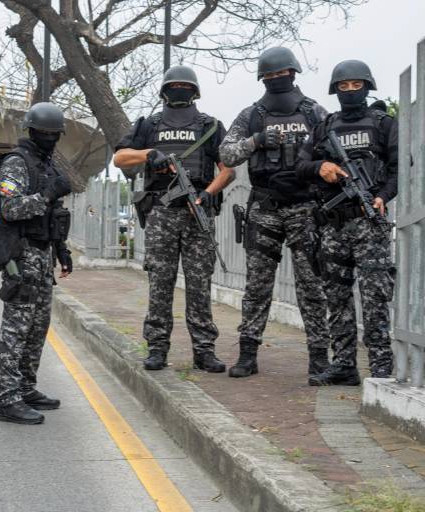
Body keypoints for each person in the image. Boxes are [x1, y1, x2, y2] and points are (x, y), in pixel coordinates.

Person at [219, 47, 331, 380]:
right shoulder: (251, 115)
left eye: (280, 75)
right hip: (264, 207)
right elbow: (227, 153)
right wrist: (256, 140)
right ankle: (248, 354)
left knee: (311, 285)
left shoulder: (314, 112)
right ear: (262, 79)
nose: (275, 80)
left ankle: (319, 358)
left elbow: (333, 149)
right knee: (257, 286)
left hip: (305, 207)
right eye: (269, 76)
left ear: (293, 74)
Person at [113, 65, 235, 372]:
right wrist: (149, 154)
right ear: (165, 90)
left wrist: (208, 193)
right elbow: (119, 158)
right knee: (160, 282)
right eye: (174, 85)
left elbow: (228, 169)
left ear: (194, 91)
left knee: (199, 284)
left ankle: (204, 350)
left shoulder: (210, 125)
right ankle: (157, 348)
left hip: (197, 211)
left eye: (185, 85)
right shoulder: (149, 125)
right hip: (162, 214)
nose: (179, 90)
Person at [295, 60, 398, 385]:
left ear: (367, 87)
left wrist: (384, 196)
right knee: (336, 296)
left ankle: (381, 365)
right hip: (333, 225)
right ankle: (343, 365)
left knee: (374, 296)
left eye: (357, 86)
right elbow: (301, 165)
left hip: (370, 223)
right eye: (344, 86)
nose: (351, 91)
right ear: (335, 90)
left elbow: (399, 169)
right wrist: (321, 167)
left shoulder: (383, 124)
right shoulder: (325, 127)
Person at [0, 102, 73, 425]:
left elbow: (54, 216)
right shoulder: (17, 162)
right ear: (31, 130)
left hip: (44, 254)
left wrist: (62, 249)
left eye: (55, 134)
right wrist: (47, 196)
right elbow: (10, 208)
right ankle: (7, 399)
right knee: (16, 327)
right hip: (21, 254)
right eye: (44, 132)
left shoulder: (47, 164)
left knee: (39, 325)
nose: (50, 138)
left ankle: (26, 387)